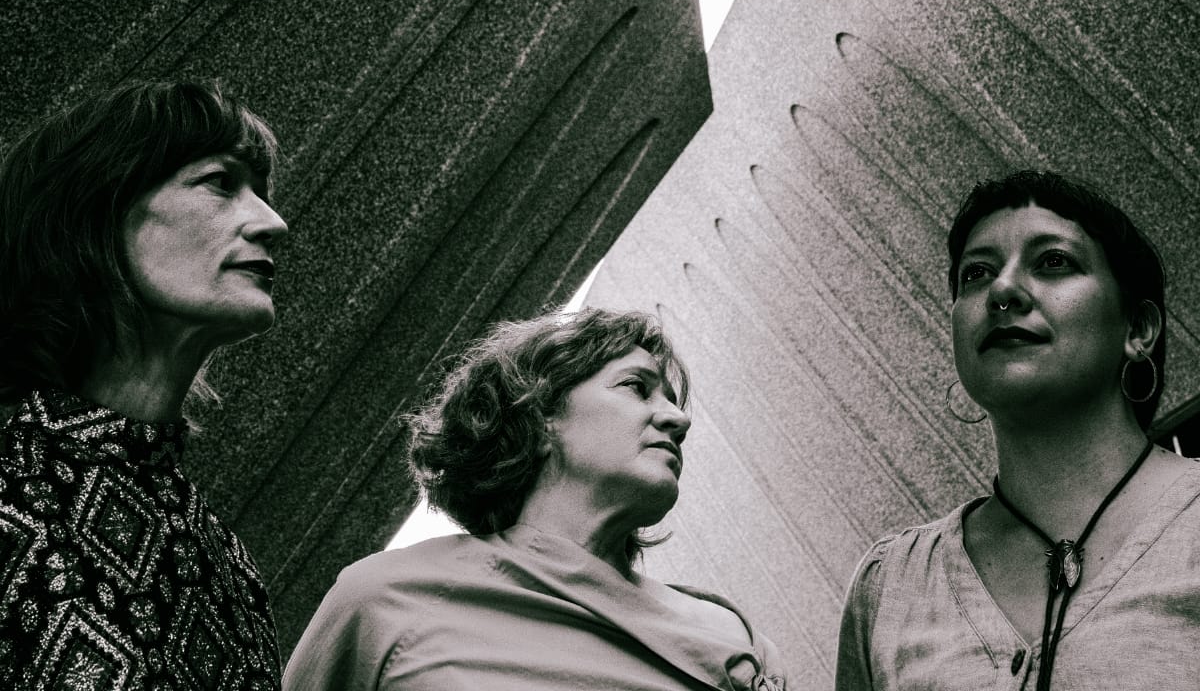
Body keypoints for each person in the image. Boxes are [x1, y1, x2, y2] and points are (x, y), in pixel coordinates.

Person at [284, 306, 788, 690]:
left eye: (672, 402)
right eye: (637, 388)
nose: (679, 421)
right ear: (540, 416)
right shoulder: (385, 600)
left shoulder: (732, 635)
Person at [835, 169, 1200, 690]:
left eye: (1053, 261)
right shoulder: (889, 588)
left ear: (1137, 329)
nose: (1002, 289)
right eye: (975, 274)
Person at [0, 79, 289, 689]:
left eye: (261, 193)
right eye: (220, 182)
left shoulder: (223, 556)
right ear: (97, 207)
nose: (273, 223)